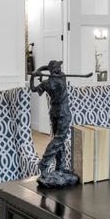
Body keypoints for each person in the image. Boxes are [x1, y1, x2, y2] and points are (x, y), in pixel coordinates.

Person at [30, 60, 79, 188]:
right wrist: (42, 70)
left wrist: (35, 75)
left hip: (54, 112)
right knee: (59, 139)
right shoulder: (61, 78)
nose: (60, 67)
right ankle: (45, 163)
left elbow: (33, 88)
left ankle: (60, 167)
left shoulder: (47, 83)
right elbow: (53, 71)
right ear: (56, 69)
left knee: (59, 140)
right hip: (63, 112)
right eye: (58, 66)